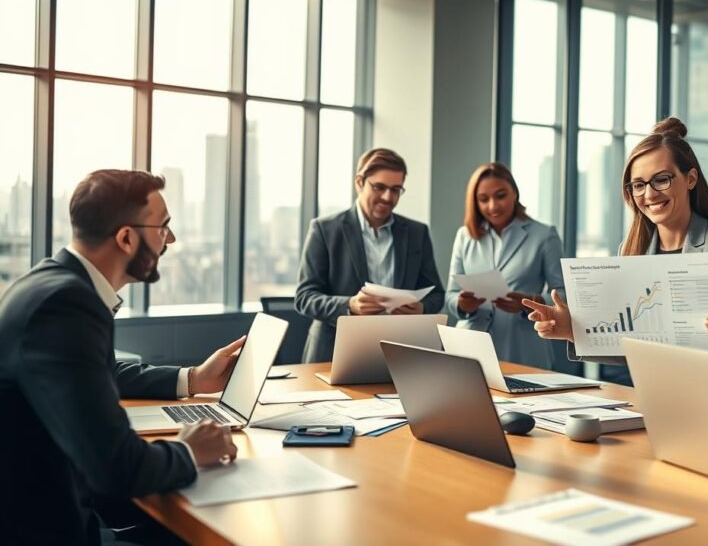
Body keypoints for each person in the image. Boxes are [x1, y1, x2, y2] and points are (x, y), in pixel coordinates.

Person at [0, 170, 244, 545]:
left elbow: (98, 371)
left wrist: (194, 379)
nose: (171, 239)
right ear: (127, 238)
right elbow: (116, 469)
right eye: (163, 226)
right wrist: (189, 450)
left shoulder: (50, 282)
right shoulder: (67, 305)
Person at [524, 117, 708, 410]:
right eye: (638, 185)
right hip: (666, 406)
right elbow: (632, 347)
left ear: (690, 179)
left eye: (661, 179)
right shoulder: (632, 251)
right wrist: (573, 330)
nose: (649, 194)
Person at [295, 148, 445, 363]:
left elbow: (437, 293)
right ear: (359, 182)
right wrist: (350, 305)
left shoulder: (416, 233)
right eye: (379, 187)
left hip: (400, 351)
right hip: (335, 352)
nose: (387, 197)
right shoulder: (324, 230)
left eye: (396, 190)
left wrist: (422, 307)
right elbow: (304, 297)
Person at [444, 163, 565, 369]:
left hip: (522, 347)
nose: (493, 206)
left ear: (514, 194)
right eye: (483, 199)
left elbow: (563, 294)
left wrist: (530, 302)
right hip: (470, 346)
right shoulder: (465, 236)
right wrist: (463, 304)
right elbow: (451, 296)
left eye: (500, 195)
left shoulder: (544, 236)